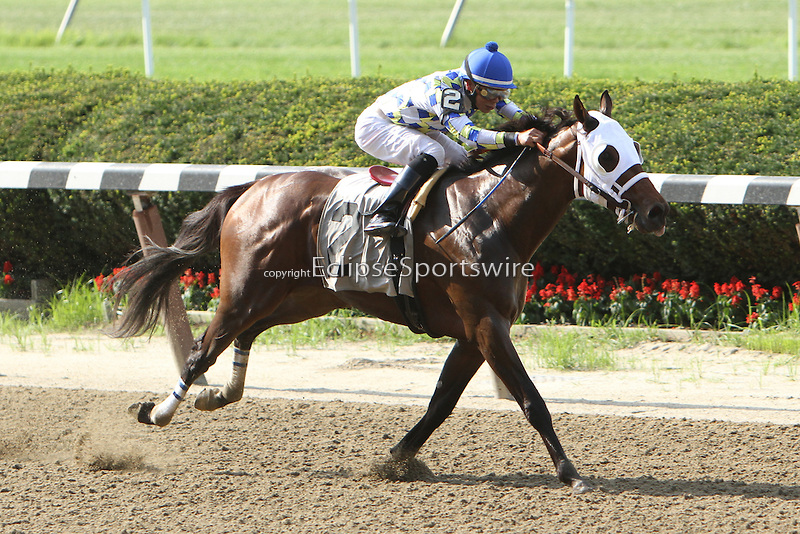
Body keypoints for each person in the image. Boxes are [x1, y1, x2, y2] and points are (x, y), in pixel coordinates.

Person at [355, 41, 545, 237]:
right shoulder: (446, 92)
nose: (496, 100)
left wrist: (542, 125)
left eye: (502, 93)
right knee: (433, 152)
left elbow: (513, 112)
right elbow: (470, 137)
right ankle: (385, 213)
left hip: (416, 126)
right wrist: (517, 138)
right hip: (377, 126)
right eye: (491, 93)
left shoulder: (481, 86)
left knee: (462, 160)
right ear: (470, 86)